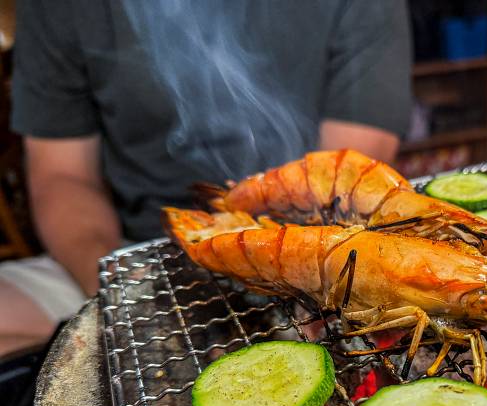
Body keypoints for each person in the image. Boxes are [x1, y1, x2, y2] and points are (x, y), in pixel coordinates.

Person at [0, 1, 411, 356]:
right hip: (138, 253)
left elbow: (349, 173)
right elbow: (61, 177)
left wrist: (300, 291)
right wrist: (126, 296)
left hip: (312, 254)